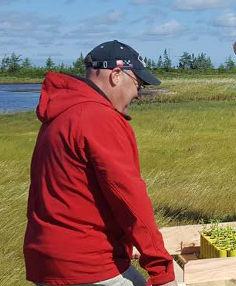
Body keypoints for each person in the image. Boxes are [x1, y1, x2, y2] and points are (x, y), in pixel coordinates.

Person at [24, 40, 176, 286]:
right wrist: (161, 269)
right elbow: (128, 197)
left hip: (47, 262)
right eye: (138, 83)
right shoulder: (99, 117)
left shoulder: (61, 113)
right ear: (116, 75)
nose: (138, 93)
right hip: (89, 265)